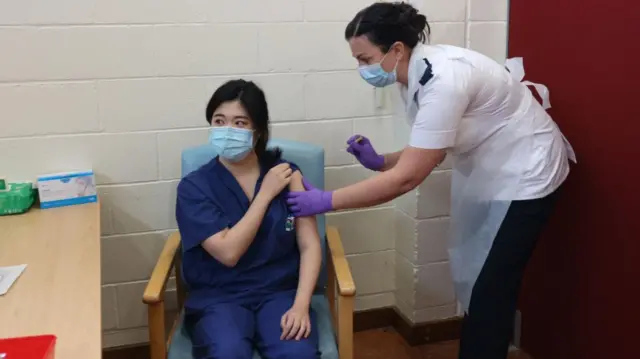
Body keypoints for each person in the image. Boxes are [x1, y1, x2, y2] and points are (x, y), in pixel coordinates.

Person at [285, 2, 576, 359]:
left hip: (529, 172)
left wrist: (327, 201)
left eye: (365, 59)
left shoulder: (445, 78)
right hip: (492, 169)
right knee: (478, 277)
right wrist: (382, 161)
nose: (362, 69)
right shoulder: (413, 75)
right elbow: (428, 149)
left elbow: (407, 179)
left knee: (492, 286)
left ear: (396, 49)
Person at [176, 79, 322, 359]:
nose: (227, 130)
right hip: (219, 298)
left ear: (258, 131)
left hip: (279, 293)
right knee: (227, 353)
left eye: (240, 123)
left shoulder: (288, 175)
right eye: (219, 121)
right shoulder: (194, 187)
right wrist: (264, 195)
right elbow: (229, 252)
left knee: (298, 354)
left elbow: (309, 244)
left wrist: (301, 305)